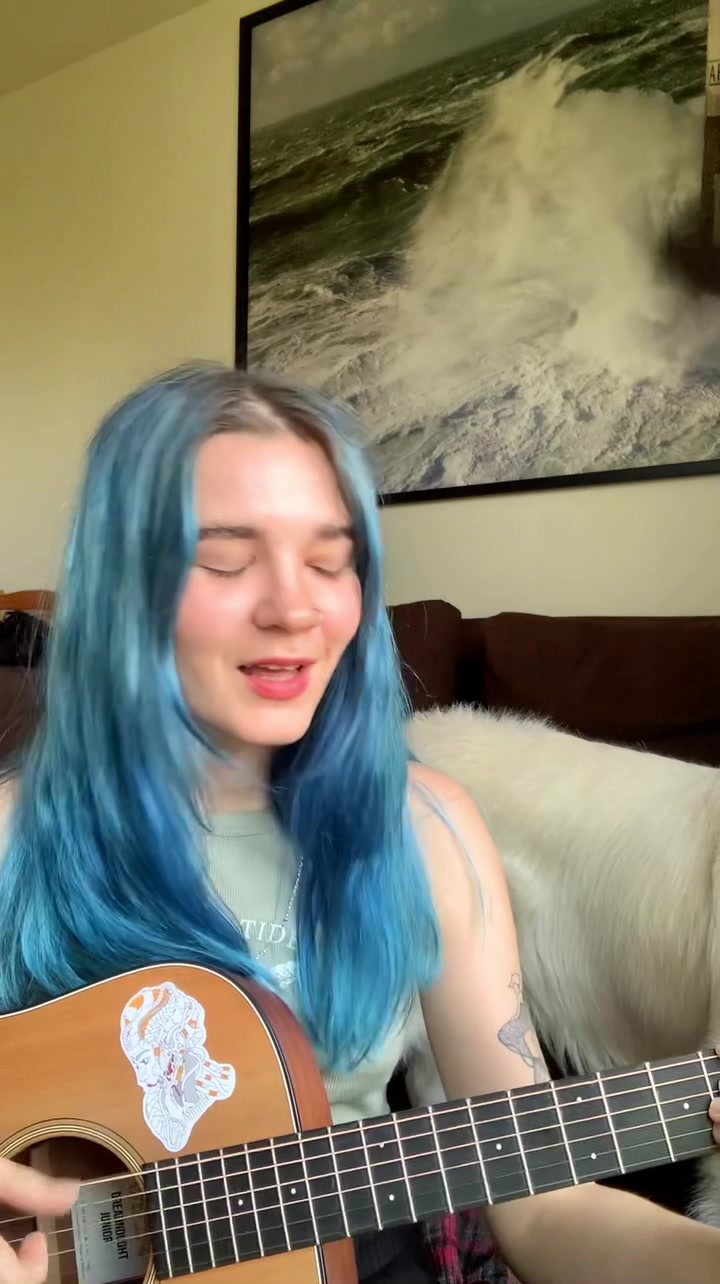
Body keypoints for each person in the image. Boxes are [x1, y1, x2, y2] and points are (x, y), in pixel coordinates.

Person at [2, 361, 720, 1284]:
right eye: (225, 558)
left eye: (329, 559)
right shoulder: (15, 837)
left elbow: (546, 1208)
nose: (295, 608)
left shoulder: (428, 831)